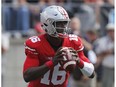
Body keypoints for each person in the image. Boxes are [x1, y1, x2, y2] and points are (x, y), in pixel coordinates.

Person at [23, 5, 95, 87]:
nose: (63, 27)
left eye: (64, 23)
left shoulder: (73, 42)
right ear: (47, 24)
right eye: (59, 23)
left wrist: (79, 61)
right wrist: (52, 62)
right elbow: (27, 76)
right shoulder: (36, 44)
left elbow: (91, 74)